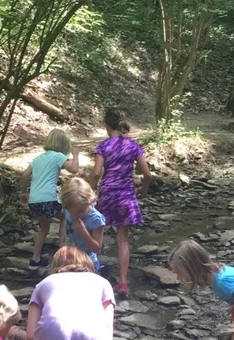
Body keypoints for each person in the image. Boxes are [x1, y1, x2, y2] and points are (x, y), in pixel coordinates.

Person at [91, 107, 151, 298]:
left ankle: (91, 274)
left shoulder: (103, 146)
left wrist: (89, 191)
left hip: (108, 194)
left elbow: (96, 173)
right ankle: (123, 282)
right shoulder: (133, 146)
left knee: (95, 235)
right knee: (122, 240)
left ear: (107, 126)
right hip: (126, 196)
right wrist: (142, 190)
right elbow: (147, 174)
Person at [20, 128, 80, 270]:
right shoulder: (58, 156)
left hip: (35, 200)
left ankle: (35, 260)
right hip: (49, 198)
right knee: (65, 217)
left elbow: (24, 175)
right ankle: (62, 255)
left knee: (44, 228)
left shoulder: (38, 158)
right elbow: (74, 169)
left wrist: (24, 193)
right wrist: (76, 155)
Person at [61, 177, 107, 274]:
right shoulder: (68, 209)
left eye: (81, 211)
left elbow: (97, 248)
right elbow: (64, 223)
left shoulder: (96, 219)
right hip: (68, 258)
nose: (77, 215)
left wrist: (83, 232)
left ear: (90, 201)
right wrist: (62, 243)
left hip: (86, 262)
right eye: (72, 212)